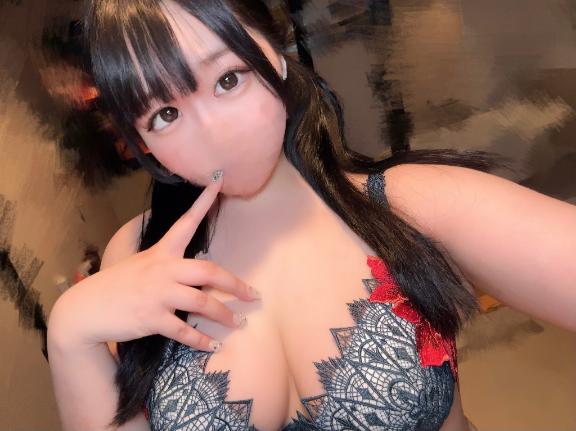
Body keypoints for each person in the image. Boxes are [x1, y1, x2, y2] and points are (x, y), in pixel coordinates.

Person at [46, 1, 576, 430]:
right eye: (164, 114)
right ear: (142, 142)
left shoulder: (410, 204)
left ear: (276, 57)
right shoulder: (135, 253)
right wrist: (71, 332)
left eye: (228, 79)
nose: (213, 134)